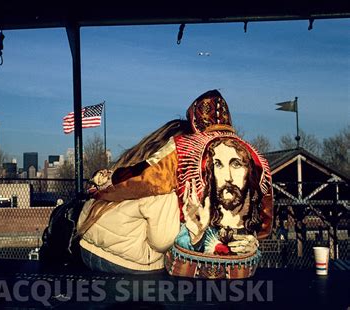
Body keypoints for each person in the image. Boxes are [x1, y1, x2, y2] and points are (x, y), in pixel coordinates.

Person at [76, 89, 273, 274]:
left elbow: (133, 180)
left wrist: (102, 184)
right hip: (127, 263)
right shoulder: (256, 159)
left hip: (88, 248)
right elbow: (162, 240)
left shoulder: (142, 164)